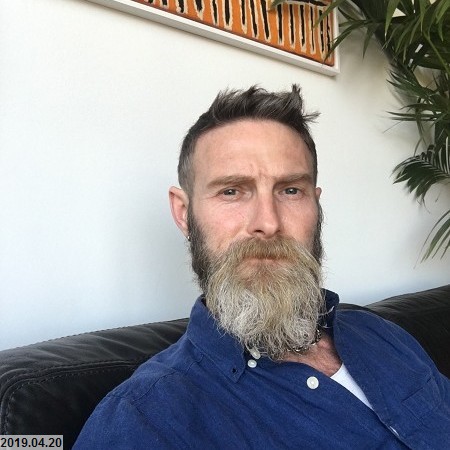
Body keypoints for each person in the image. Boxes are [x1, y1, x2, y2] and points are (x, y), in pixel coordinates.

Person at [74, 86, 450, 449]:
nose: (268, 223)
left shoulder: (381, 333)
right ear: (184, 213)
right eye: (232, 191)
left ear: (316, 206)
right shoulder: (144, 420)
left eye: (290, 190)